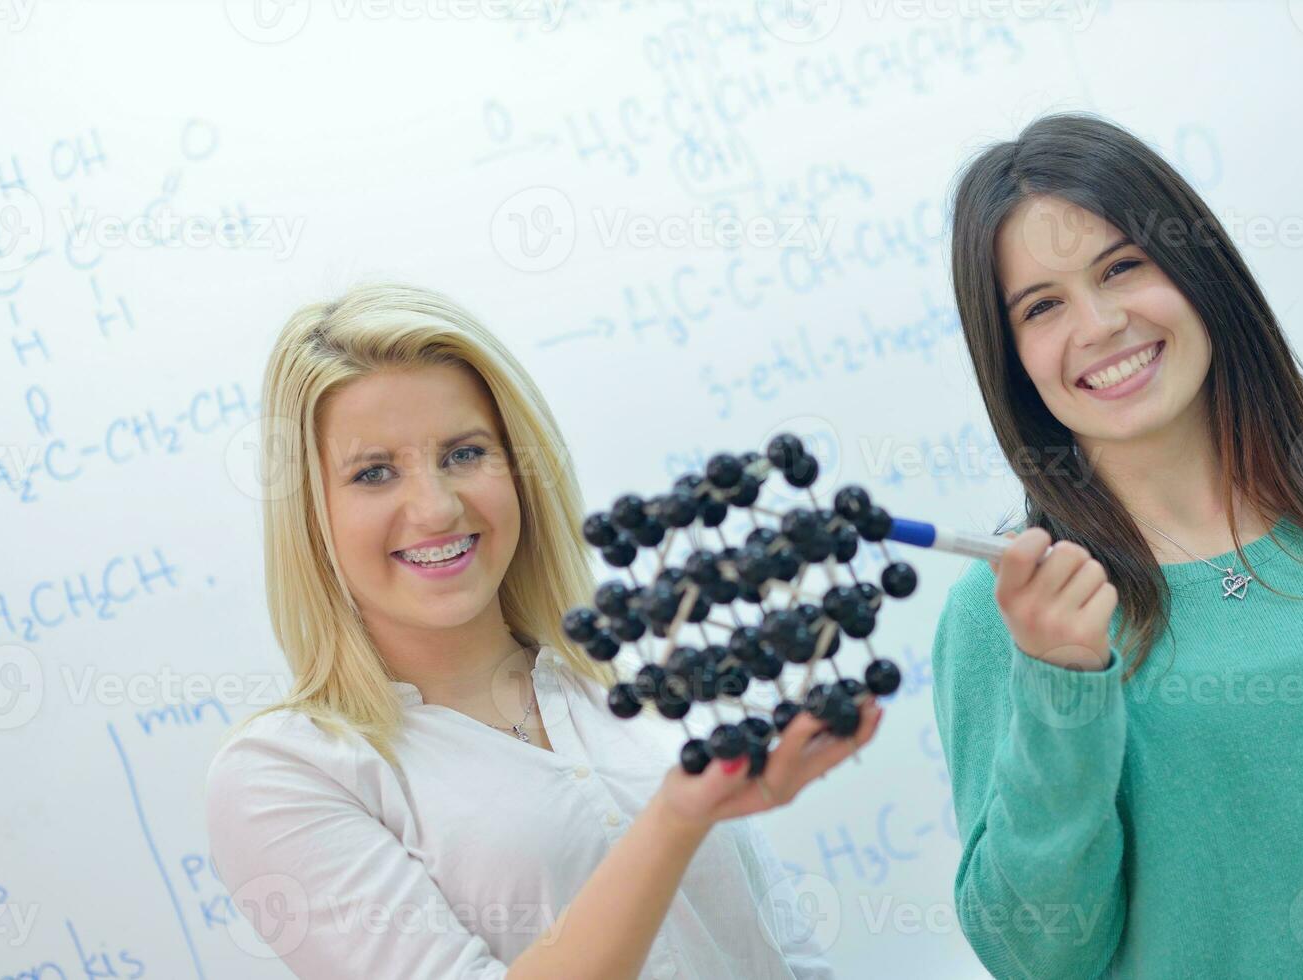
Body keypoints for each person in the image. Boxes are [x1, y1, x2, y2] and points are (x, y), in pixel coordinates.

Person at [204, 281, 883, 979]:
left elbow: (785, 954)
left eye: (464, 454)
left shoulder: (631, 682)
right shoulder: (287, 774)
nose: (435, 507)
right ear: (311, 514)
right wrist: (675, 819)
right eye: (373, 473)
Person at [930, 111, 1303, 979]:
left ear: (1199, 274)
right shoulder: (1014, 609)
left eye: (1121, 266)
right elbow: (1038, 954)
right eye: (1041, 306)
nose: (1101, 322)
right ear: (1014, 359)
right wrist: (1062, 688)